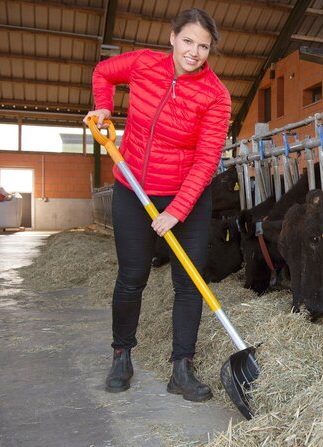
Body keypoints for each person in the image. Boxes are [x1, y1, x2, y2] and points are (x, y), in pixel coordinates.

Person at [83, 8, 231, 402]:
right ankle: (121, 355)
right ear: (172, 38)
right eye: (188, 41)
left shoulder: (216, 95)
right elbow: (103, 73)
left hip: (187, 196)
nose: (194, 52)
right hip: (133, 189)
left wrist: (176, 211)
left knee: (189, 282)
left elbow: (207, 161)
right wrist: (103, 106)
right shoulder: (144, 64)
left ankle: (182, 367)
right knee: (132, 276)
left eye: (203, 46)